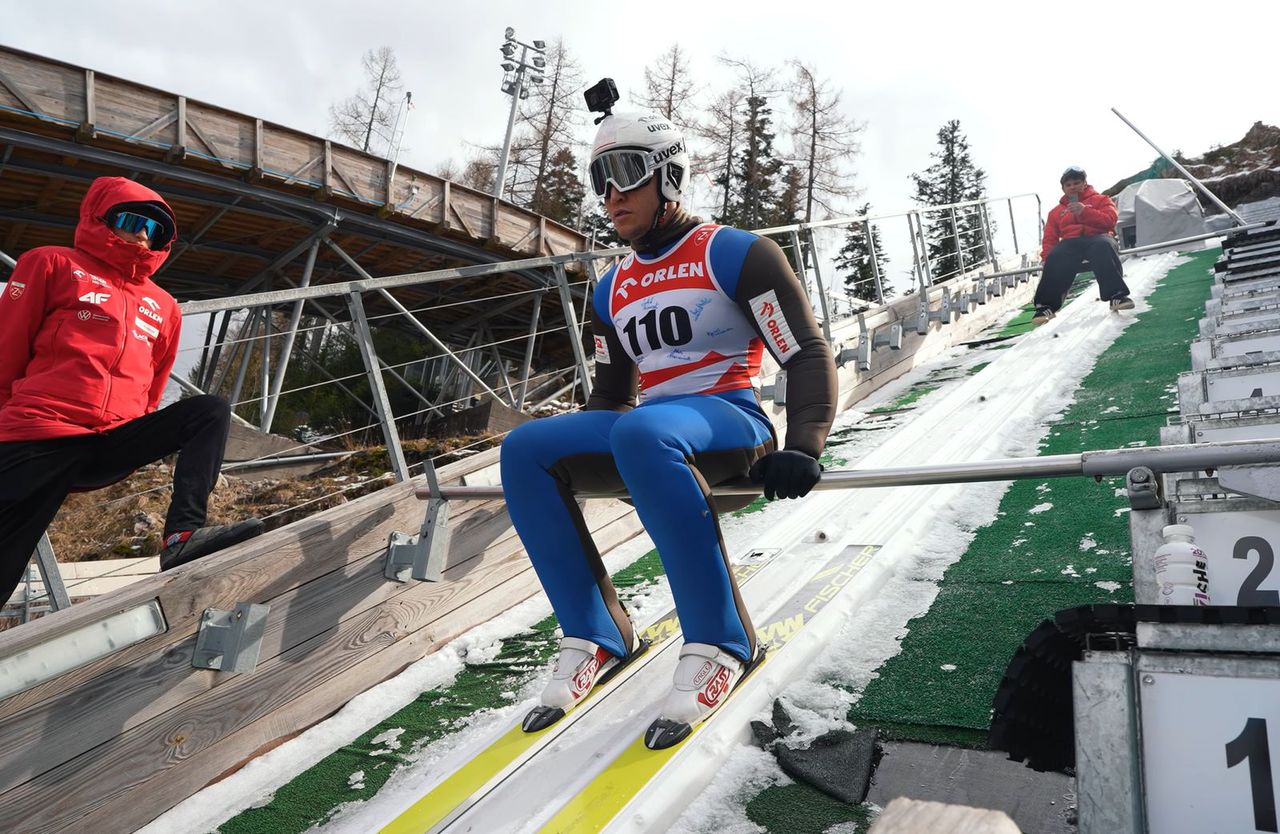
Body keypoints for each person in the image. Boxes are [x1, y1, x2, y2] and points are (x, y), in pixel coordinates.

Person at [500, 110, 837, 749]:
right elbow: (610, 395)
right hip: (652, 430)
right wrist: (580, 447)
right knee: (524, 448)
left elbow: (805, 352)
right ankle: (595, 632)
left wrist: (803, 443)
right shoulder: (610, 289)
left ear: (669, 174)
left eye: (627, 173)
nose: (612, 195)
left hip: (730, 418)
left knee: (640, 432)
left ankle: (720, 640)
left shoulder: (734, 254)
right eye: (600, 180)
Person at [0, 176, 263, 608]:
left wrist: (132, 424)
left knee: (208, 412)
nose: (142, 234)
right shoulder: (50, 263)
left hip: (109, 440)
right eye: (130, 220)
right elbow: (6, 347)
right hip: (38, 434)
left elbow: (153, 385)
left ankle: (181, 536)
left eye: (154, 229)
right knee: (6, 560)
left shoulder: (164, 306)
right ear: (100, 218)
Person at [1032, 165, 1133, 324]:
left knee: (1102, 246)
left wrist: (1084, 211)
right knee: (1056, 255)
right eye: (1068, 185)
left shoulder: (1102, 200)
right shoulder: (1056, 212)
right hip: (1071, 242)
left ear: (1084, 183)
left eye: (1076, 183)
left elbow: (1109, 221)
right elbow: (1050, 237)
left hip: (1098, 236)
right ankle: (1046, 306)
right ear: (1063, 188)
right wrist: (1046, 257)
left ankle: (1117, 295)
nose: (1072, 187)